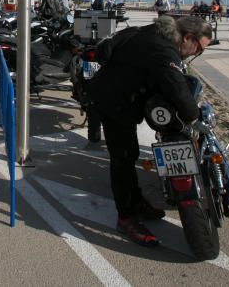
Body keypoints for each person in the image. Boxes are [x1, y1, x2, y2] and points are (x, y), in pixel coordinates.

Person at [88, 15, 214, 247]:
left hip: (119, 94)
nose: (194, 53)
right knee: (123, 159)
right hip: (113, 101)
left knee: (131, 152)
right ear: (188, 37)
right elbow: (175, 84)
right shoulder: (164, 50)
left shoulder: (155, 31)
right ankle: (126, 218)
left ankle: (135, 200)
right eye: (198, 48)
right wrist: (195, 118)